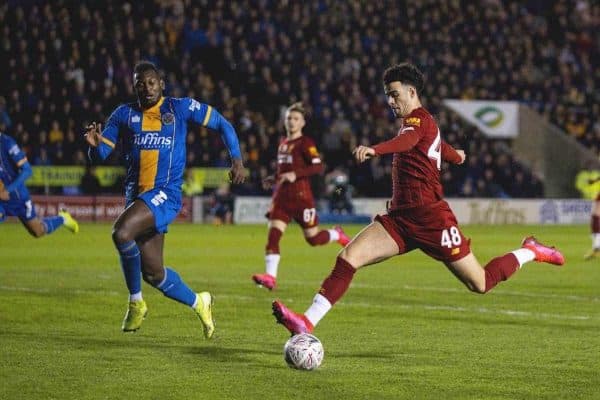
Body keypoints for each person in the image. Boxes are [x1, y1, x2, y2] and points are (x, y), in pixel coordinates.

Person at [271, 63, 565, 335]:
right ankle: (306, 322)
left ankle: (531, 250)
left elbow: (409, 141)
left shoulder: (418, 120)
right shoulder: (426, 125)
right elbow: (437, 144)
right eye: (387, 95)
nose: (390, 101)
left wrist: (376, 149)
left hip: (432, 219)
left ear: (412, 92)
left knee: (481, 283)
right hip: (400, 219)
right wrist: (456, 156)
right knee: (348, 256)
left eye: (394, 94)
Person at [85, 61, 246, 338]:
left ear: (162, 84)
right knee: (154, 273)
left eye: (151, 82)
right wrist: (94, 147)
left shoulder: (179, 108)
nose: (146, 88)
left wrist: (236, 159)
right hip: (137, 197)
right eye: (140, 83)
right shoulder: (123, 115)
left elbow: (221, 123)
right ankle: (200, 302)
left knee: (121, 232)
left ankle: (136, 302)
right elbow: (100, 156)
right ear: (134, 86)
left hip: (166, 194)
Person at [252, 103, 351, 291]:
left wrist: (295, 175)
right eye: (289, 118)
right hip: (281, 199)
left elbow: (317, 166)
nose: (291, 122)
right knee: (273, 237)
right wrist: (274, 179)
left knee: (313, 239)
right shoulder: (283, 144)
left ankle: (336, 234)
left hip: (301, 198)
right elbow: (284, 172)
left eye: (296, 119)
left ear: (303, 123)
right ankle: (270, 277)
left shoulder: (306, 143)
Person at [0, 131, 79, 237]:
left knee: (38, 231)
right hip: (1, 198)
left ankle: (63, 218)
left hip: (17, 196)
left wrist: (8, 190)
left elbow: (27, 170)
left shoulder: (7, 143)